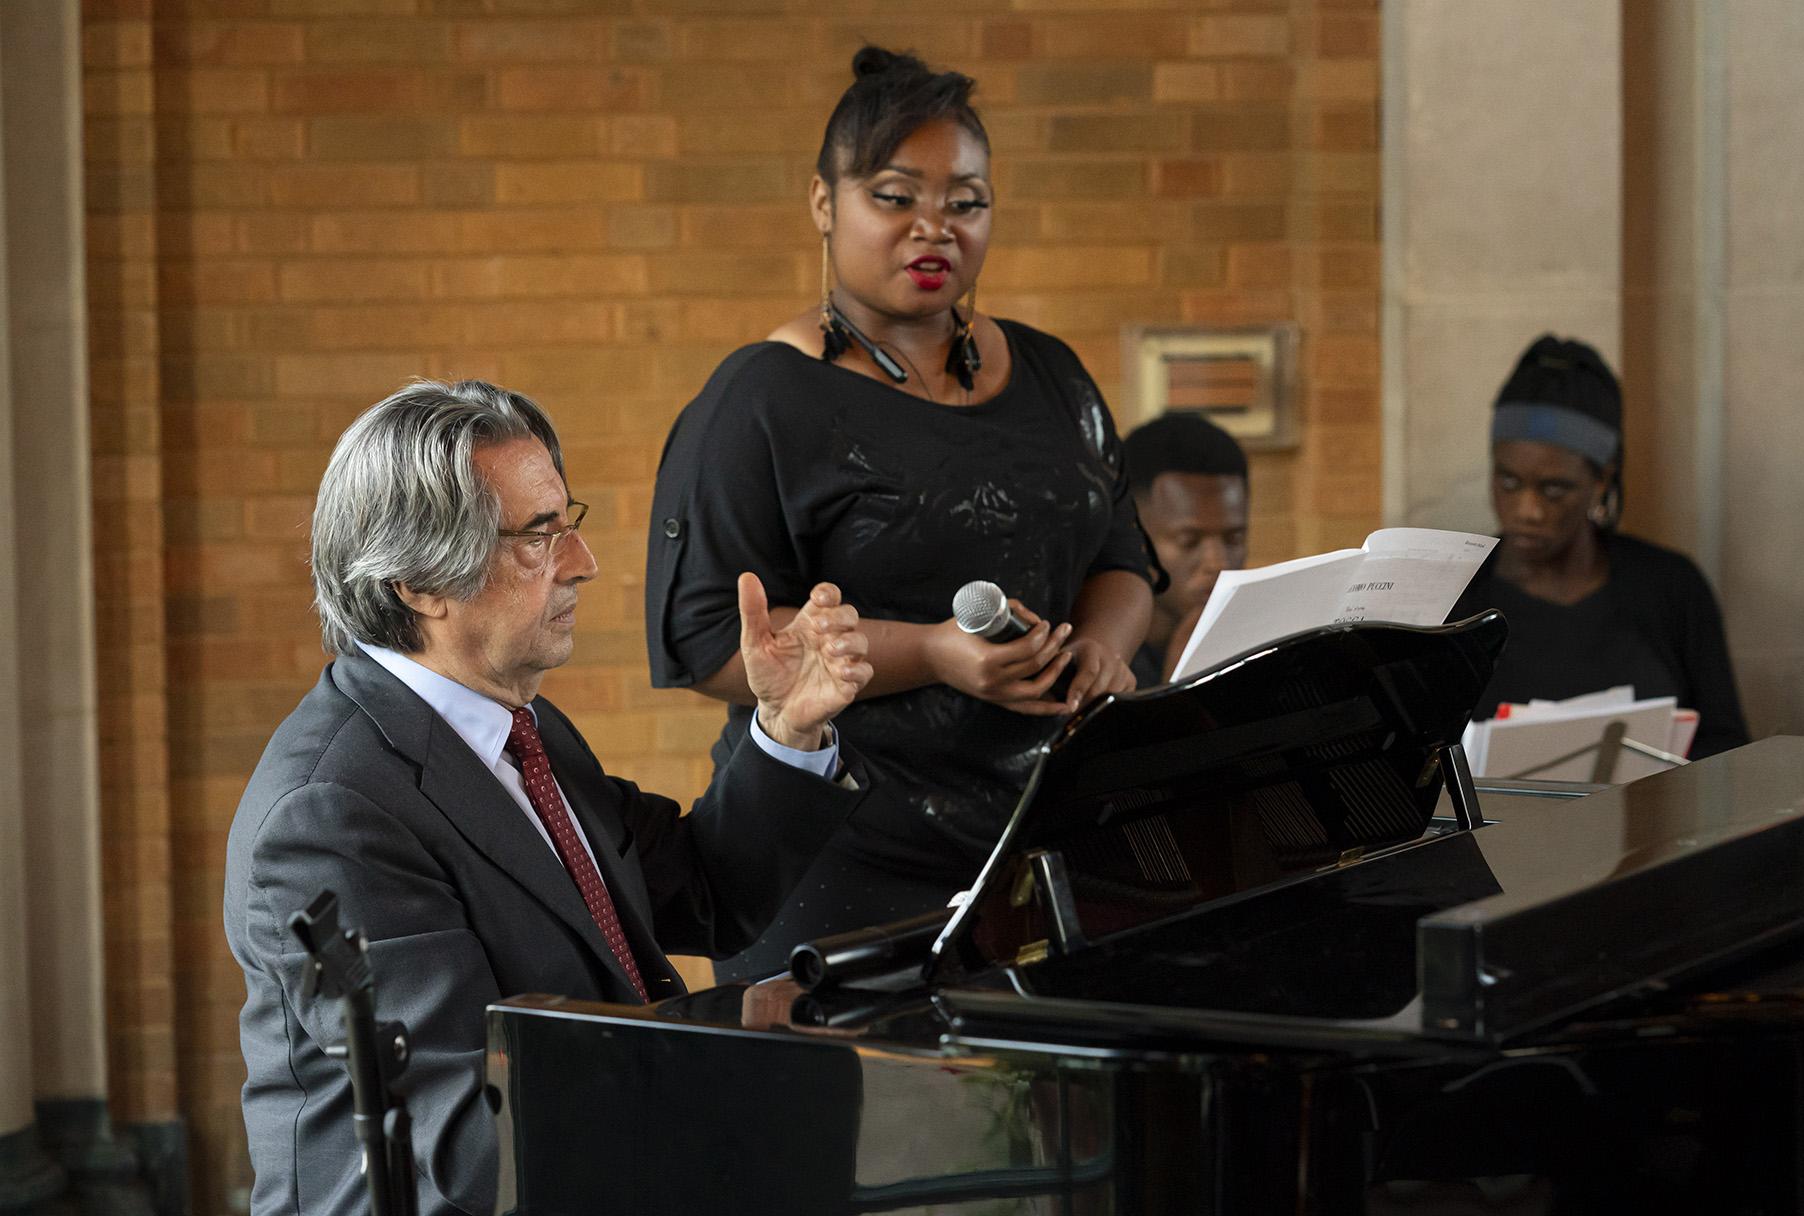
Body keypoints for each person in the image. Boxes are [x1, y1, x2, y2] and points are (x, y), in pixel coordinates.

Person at [224, 380, 873, 1216]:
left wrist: (786, 727)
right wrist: (737, 1084)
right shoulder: (331, 813)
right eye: (539, 536)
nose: (583, 563)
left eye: (571, 522)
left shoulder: (525, 726)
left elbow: (709, 896)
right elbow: (472, 1139)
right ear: (421, 581)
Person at [645, 47, 1156, 983]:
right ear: (822, 204)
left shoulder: (1051, 373)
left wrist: (1106, 646)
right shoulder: (759, 400)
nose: (935, 228)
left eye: (965, 202)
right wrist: (935, 653)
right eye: (894, 197)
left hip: (1048, 849)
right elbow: (713, 640)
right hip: (843, 862)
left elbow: (1122, 556)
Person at [1450, 335, 1749, 758]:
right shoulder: (1457, 598)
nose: (1527, 510)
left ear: (1601, 481)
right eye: (1508, 482)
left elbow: (1728, 750)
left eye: (1554, 489)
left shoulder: (1670, 588)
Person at [1123, 413, 1250, 686]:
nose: (1218, 563)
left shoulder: (1256, 643)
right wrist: (1175, 691)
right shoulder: (1098, 653)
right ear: (1133, 539)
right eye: (1189, 542)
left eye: (1233, 539)